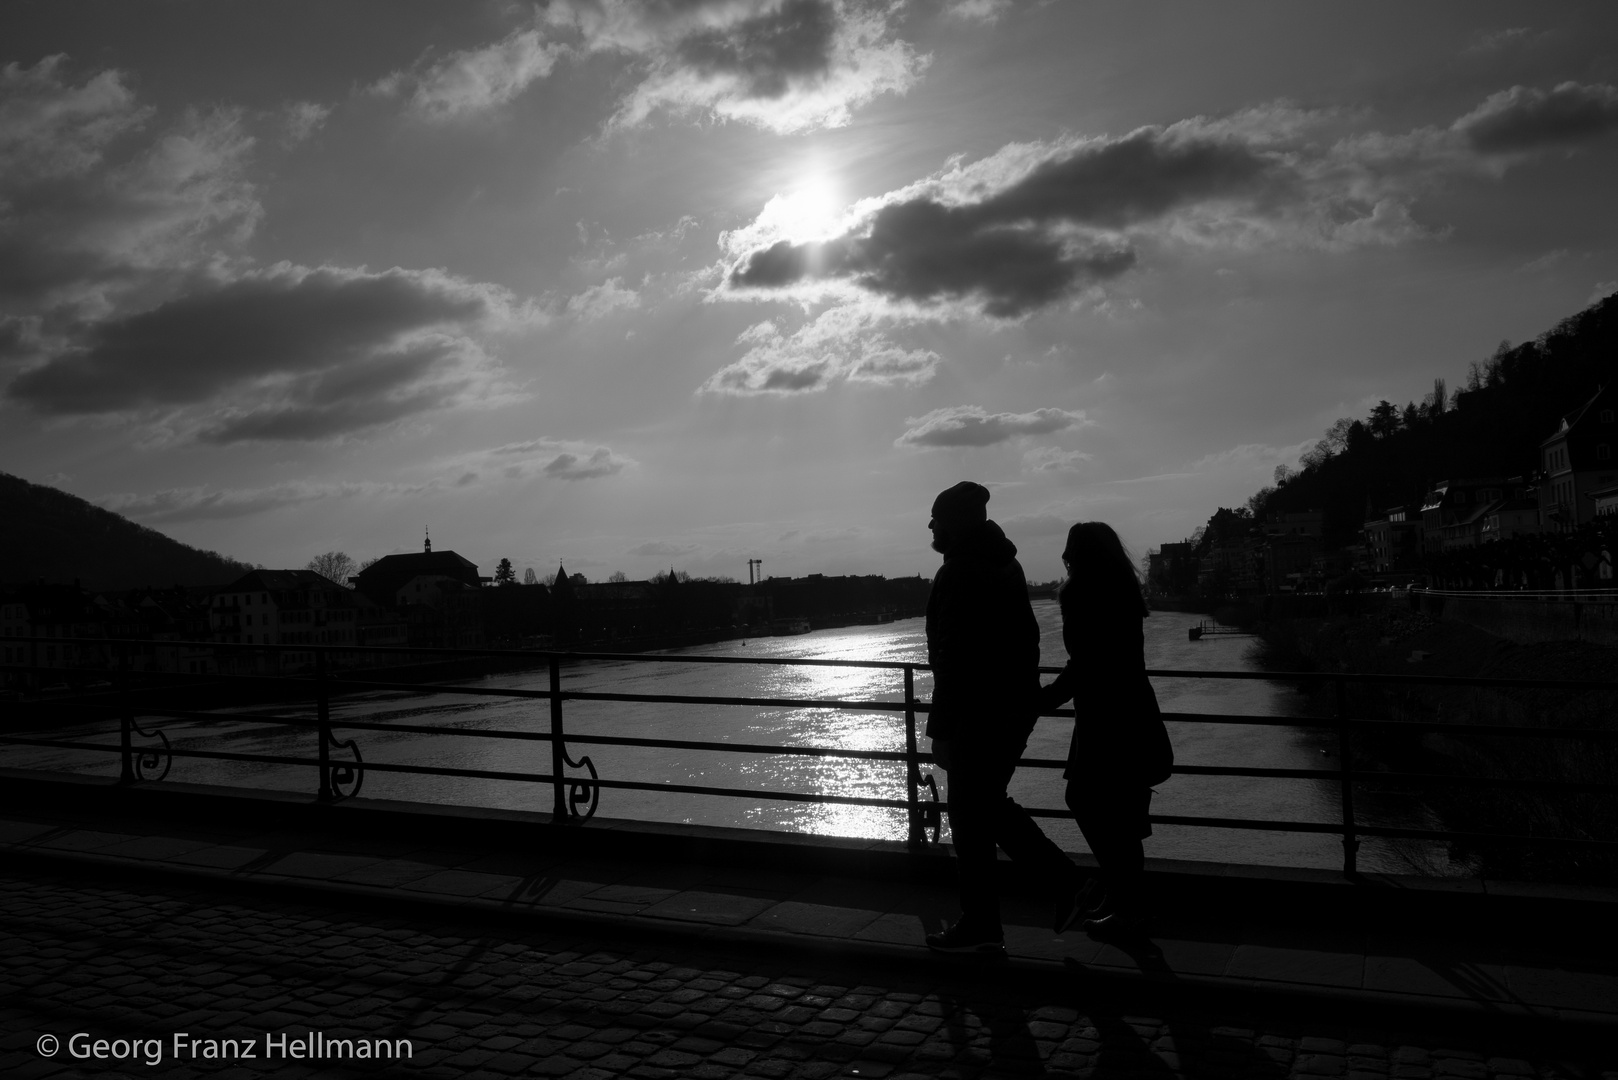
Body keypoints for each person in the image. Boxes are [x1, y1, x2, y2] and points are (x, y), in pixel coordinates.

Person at [923, 481, 1080, 953]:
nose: (931, 527)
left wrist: (943, 728)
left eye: (937, 519)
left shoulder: (960, 572)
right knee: (981, 810)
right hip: (1012, 707)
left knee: (975, 814)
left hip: (977, 713)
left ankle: (1057, 884)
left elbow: (953, 658)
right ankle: (987, 923)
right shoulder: (1005, 565)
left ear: (954, 524)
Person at [1039, 522, 1173, 938]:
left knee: (1084, 799)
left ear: (1073, 554)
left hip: (1103, 718)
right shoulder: (1125, 592)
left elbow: (1086, 662)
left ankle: (1116, 897)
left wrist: (1043, 700)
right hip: (1134, 709)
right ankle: (1130, 908)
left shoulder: (1081, 593)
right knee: (1123, 816)